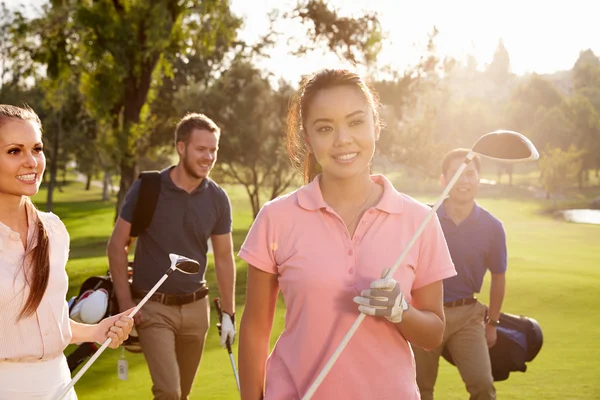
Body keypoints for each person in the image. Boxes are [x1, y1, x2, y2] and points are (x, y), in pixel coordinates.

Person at [237, 69, 457, 400]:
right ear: (308, 138)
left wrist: (401, 311)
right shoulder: (275, 218)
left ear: (376, 125)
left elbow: (433, 333)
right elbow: (255, 331)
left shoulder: (420, 221)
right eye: (325, 128)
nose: (342, 139)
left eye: (355, 122)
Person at [0, 104, 134, 400]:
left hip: (60, 385)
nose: (31, 161)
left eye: (37, 149)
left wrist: (97, 331)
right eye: (14, 151)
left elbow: (51, 320)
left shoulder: (54, 230)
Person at [107, 112, 237, 400]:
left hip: (196, 310)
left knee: (182, 395)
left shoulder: (217, 198)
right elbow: (117, 245)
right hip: (153, 308)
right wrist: (126, 304)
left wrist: (228, 314)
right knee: (168, 392)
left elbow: (225, 257)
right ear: (181, 147)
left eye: (213, 150)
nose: (208, 157)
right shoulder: (150, 188)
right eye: (201, 149)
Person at [413, 148, 508, 400]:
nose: (463, 181)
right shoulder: (423, 218)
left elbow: (498, 277)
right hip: (424, 313)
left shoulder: (493, 227)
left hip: (467, 316)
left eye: (469, 174)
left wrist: (493, 324)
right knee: (419, 389)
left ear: (478, 179)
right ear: (443, 180)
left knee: (483, 386)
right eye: (455, 174)